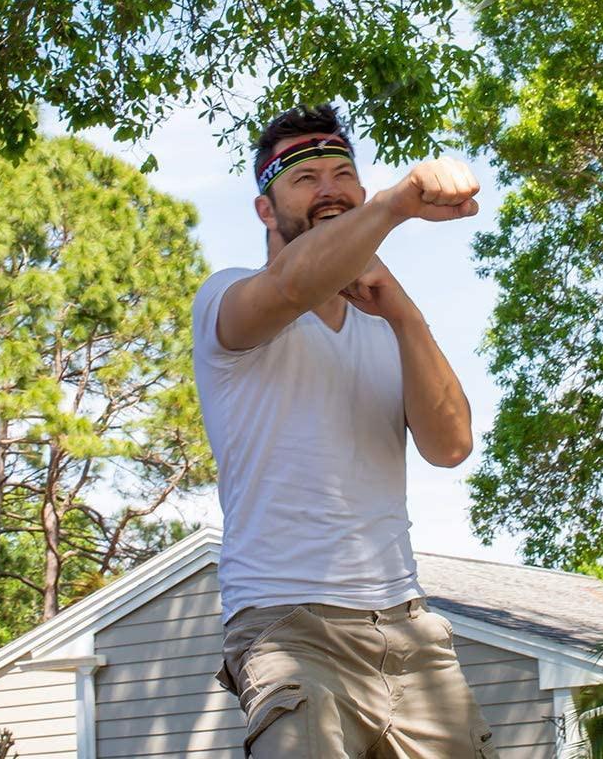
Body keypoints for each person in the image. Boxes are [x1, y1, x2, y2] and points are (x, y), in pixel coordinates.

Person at [191, 104, 498, 758]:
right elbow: (291, 286)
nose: (330, 188)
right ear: (265, 210)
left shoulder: (386, 326)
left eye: (343, 173)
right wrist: (395, 206)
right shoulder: (228, 298)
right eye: (305, 179)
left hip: (410, 631)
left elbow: (451, 446)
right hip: (287, 627)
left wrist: (406, 317)